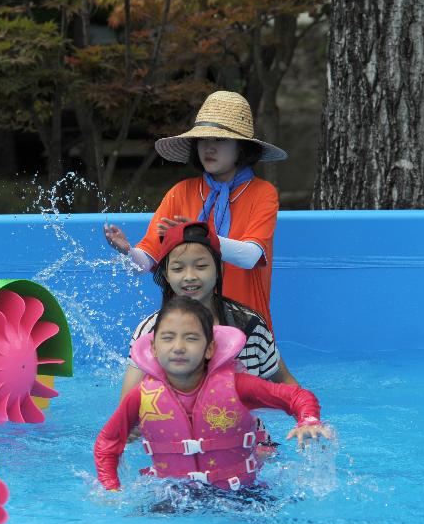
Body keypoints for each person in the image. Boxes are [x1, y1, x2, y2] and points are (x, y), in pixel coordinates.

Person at [94, 296, 329, 492]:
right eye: (167, 338)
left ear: (209, 349)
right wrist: (111, 488)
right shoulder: (142, 397)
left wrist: (308, 420)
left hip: (241, 494)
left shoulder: (237, 386)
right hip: (174, 495)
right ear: (154, 349)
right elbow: (107, 443)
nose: (178, 347)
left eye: (191, 338)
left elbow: (298, 397)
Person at [104, 90, 284, 327]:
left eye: (219, 140)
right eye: (203, 139)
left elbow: (251, 256)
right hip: (186, 326)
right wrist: (127, 251)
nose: (209, 147)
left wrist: (197, 235)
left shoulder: (262, 193)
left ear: (242, 148)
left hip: (245, 322)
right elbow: (146, 262)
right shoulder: (181, 191)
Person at [119, 221, 299, 403]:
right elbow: (127, 408)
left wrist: (308, 420)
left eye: (201, 266)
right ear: (166, 275)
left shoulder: (249, 326)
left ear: (219, 269)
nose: (190, 276)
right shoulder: (150, 330)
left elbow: (285, 382)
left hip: (246, 430)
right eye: (178, 268)